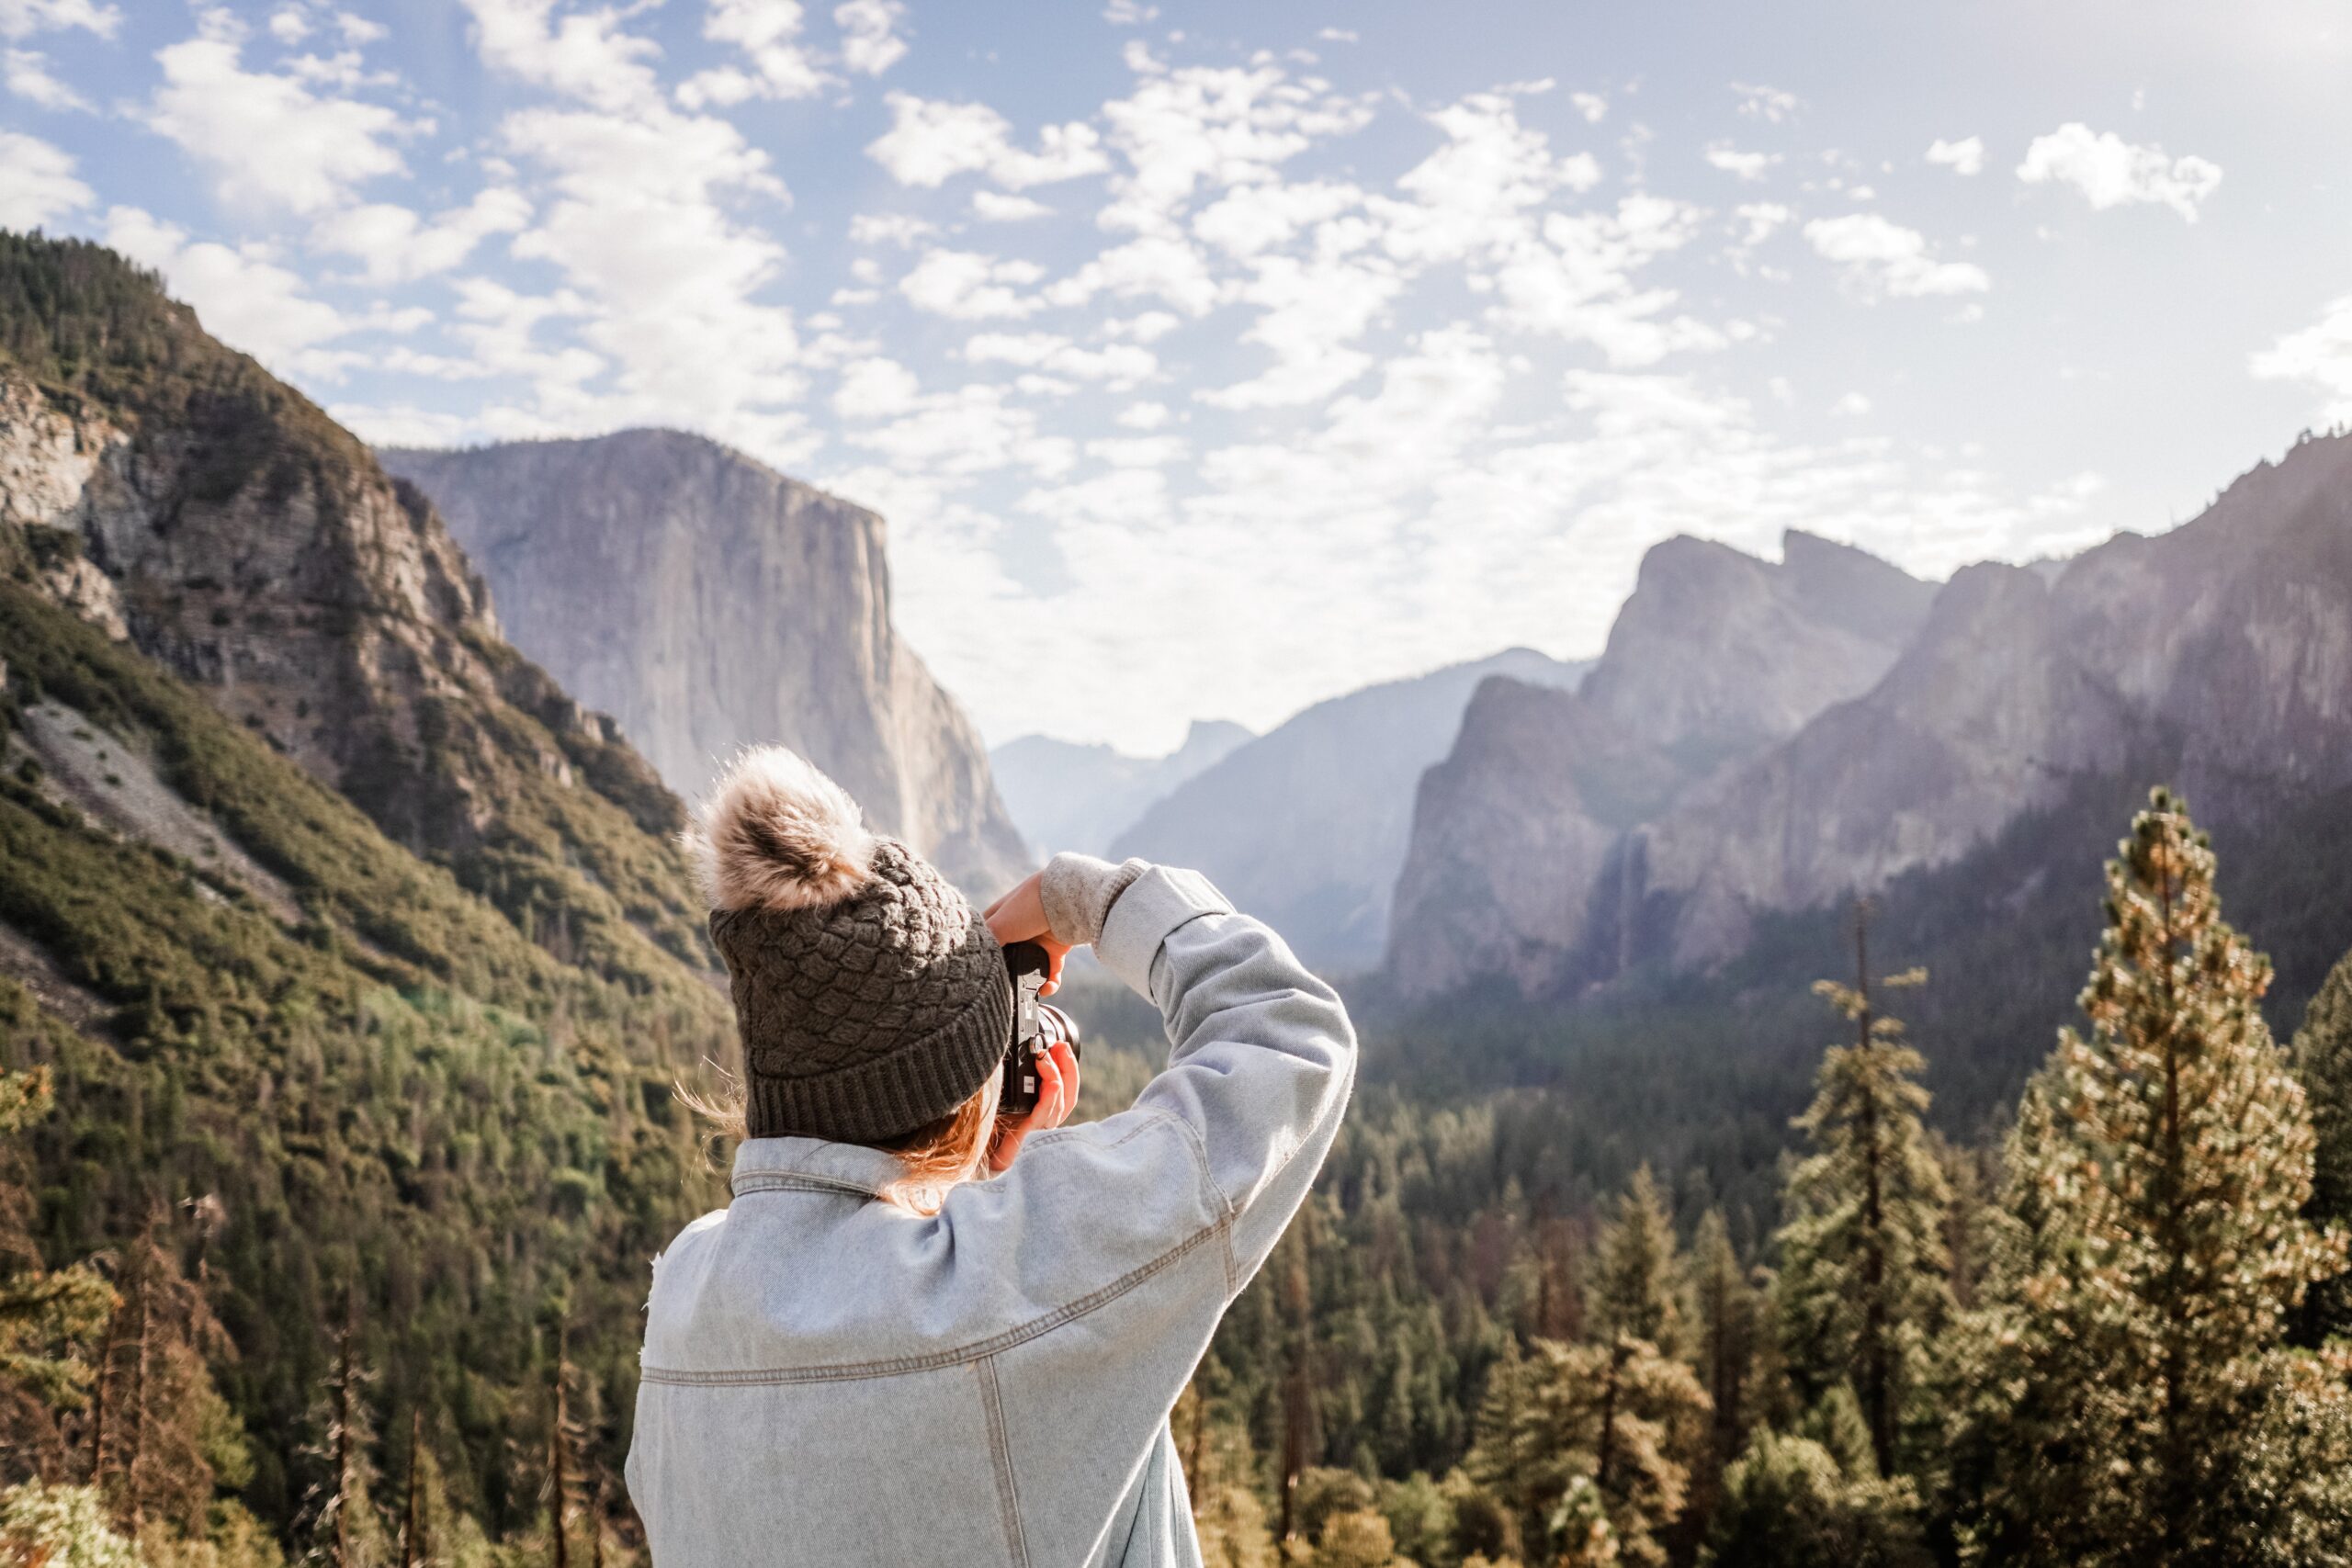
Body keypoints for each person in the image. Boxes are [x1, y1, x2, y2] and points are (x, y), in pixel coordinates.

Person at [624, 745, 1356, 1566]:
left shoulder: (684, 1300)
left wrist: (974, 1170)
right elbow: (1290, 1035)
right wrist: (1090, 898)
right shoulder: (1008, 1283)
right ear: (967, 1096)